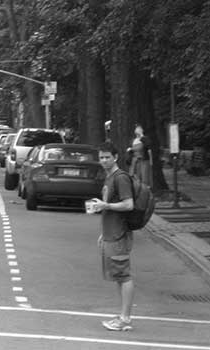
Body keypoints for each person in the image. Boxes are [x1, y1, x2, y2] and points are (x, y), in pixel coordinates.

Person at [94, 141, 135, 332]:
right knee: (119, 276)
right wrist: (104, 232)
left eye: (107, 157)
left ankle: (125, 319)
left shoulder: (120, 178)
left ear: (115, 157)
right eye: (101, 157)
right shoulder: (109, 177)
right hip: (111, 234)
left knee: (124, 276)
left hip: (119, 235)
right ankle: (122, 315)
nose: (103, 160)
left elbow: (129, 205)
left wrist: (106, 206)